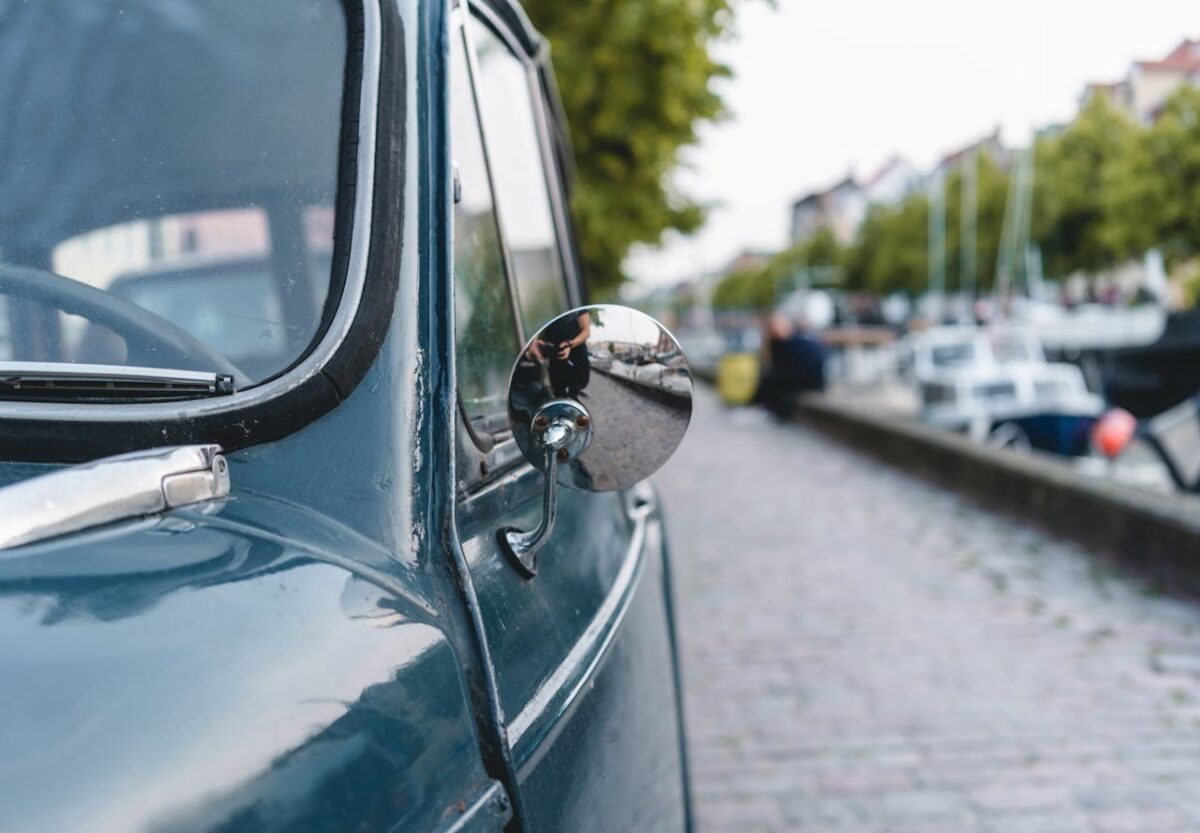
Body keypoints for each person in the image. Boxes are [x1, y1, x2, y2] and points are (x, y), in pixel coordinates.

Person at [756, 312, 826, 418]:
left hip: (802, 383)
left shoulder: (781, 344)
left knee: (770, 380)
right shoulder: (800, 339)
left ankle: (768, 411)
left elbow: (777, 370)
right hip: (816, 382)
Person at [533, 310, 591, 399]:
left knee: (579, 382)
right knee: (557, 389)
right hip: (553, 353)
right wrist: (536, 344)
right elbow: (535, 331)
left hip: (576, 352)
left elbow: (586, 331)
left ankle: (573, 394)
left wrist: (570, 344)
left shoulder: (577, 306)